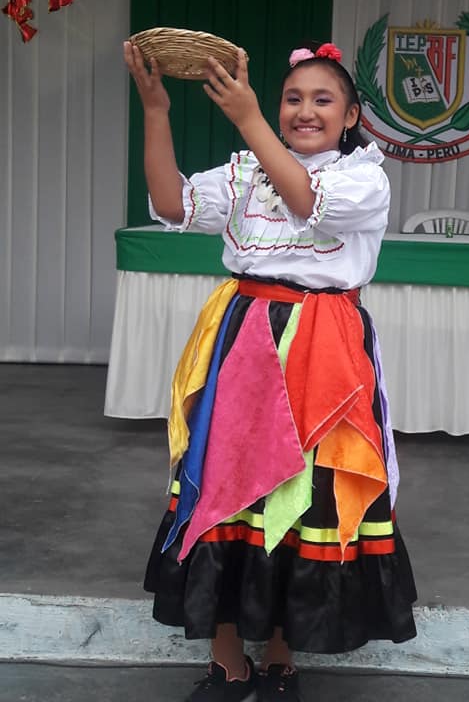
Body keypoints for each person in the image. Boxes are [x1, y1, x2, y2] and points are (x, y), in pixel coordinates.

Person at [124, 38, 417, 702]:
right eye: (292, 99)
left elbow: (308, 201)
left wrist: (249, 118)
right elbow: (170, 203)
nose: (304, 111)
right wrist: (156, 110)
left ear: (350, 116)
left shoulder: (362, 179)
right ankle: (229, 663)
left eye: (323, 100)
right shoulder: (246, 173)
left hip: (324, 350)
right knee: (227, 488)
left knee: (304, 492)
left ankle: (282, 655)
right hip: (245, 340)